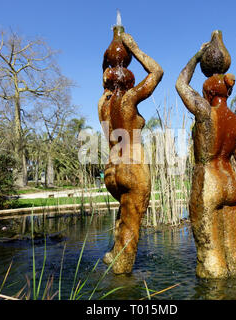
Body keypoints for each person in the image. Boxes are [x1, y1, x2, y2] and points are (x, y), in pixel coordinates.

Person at [175, 31, 236, 278]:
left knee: (211, 259)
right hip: (232, 186)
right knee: (235, 254)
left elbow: (180, 84)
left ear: (207, 93)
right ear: (227, 92)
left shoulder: (204, 112)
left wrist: (197, 56)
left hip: (209, 182)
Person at [99, 26, 163, 274]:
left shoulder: (102, 104)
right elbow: (157, 72)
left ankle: (113, 257)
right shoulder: (128, 99)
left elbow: (105, 78)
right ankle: (122, 282)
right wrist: (133, 48)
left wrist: (108, 56)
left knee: (123, 216)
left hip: (111, 171)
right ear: (128, 78)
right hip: (132, 168)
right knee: (132, 227)